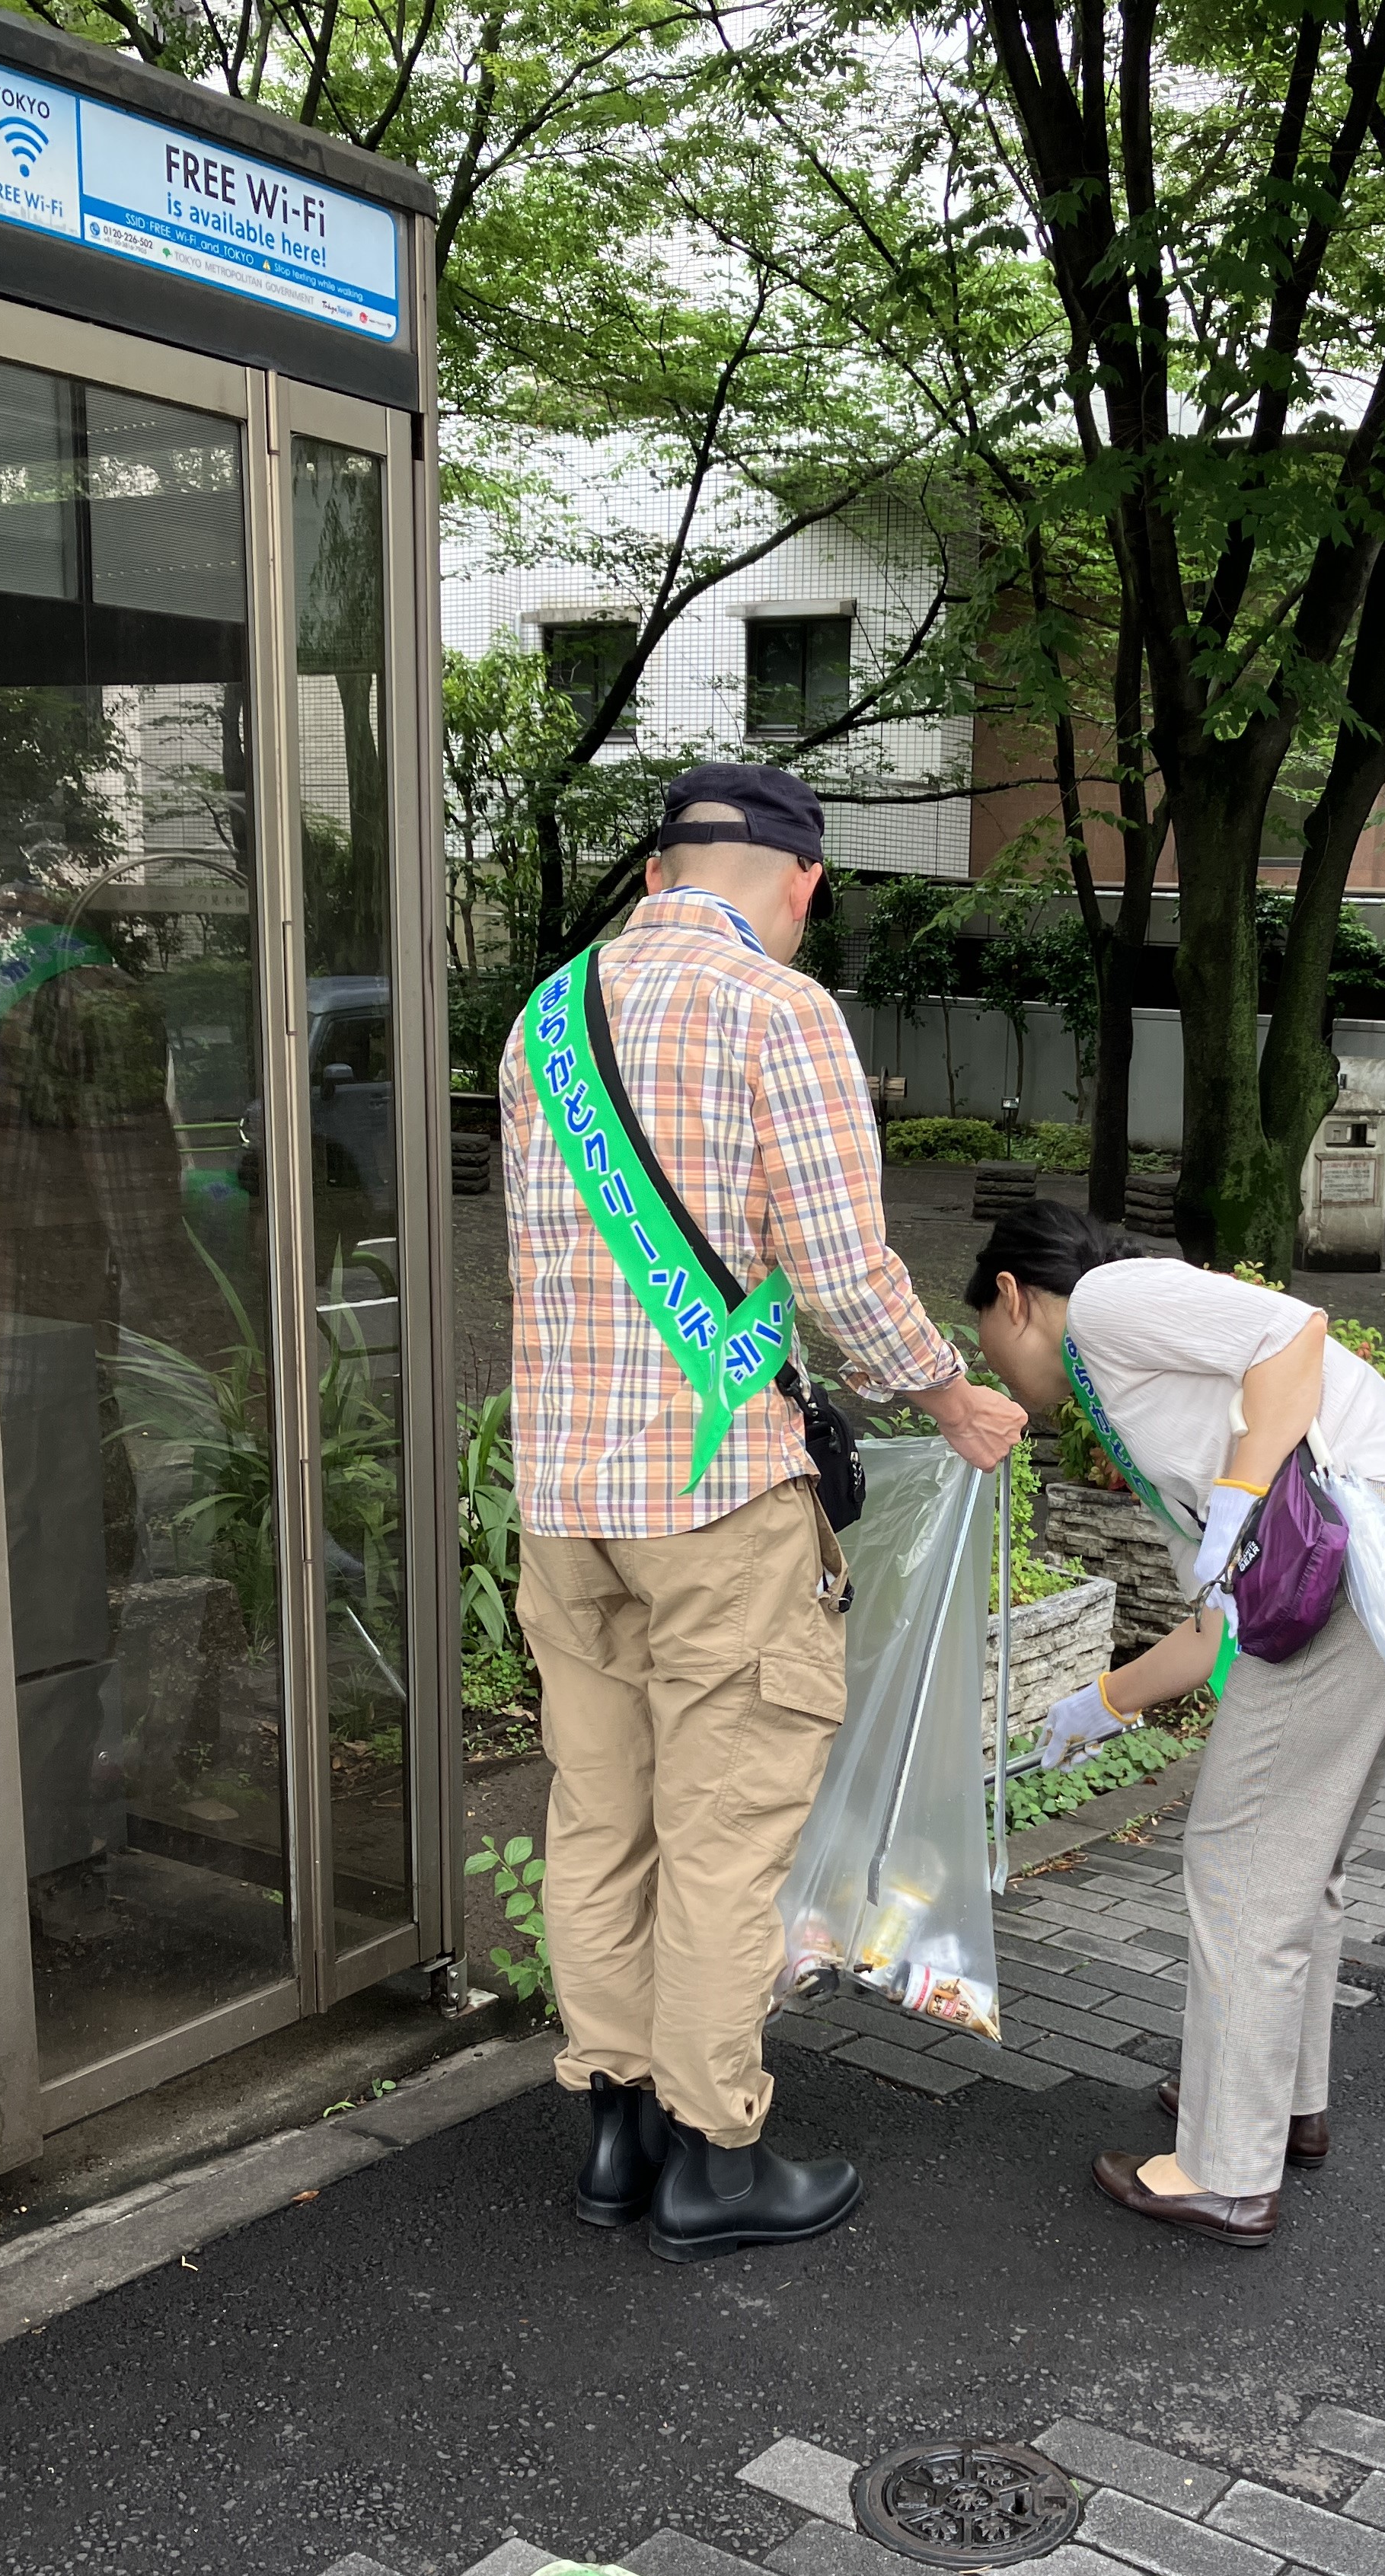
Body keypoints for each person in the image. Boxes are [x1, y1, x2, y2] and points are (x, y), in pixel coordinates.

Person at [499, 762, 1024, 2263]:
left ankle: (613, 2132)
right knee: (725, 1834)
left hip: (564, 1496)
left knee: (602, 1813)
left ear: (665, 866)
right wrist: (948, 1397)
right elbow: (848, 1275)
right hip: (717, 1500)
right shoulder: (778, 1012)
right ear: (799, 883)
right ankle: (712, 2160)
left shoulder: (544, 1016)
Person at [966, 1202, 1385, 2246]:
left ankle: (1222, 2169)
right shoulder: (1137, 1409)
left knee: (1240, 1863)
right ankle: (1283, 2106)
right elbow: (1218, 1632)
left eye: (981, 1329)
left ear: (1013, 1298)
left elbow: (1293, 1330)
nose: (991, 1361)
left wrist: (1243, 1493)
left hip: (1373, 1563)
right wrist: (1099, 1702)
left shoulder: (1108, 1304)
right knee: (1300, 1856)